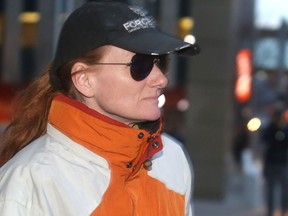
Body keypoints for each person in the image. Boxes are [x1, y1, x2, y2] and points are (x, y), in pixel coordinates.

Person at [0, 1, 200, 215]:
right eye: (140, 65)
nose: (161, 79)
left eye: (160, 62)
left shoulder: (171, 158)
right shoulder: (28, 183)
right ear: (84, 80)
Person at [261, 109, 288, 216]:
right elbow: (264, 141)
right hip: (271, 163)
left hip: (282, 163)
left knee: (284, 190)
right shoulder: (269, 129)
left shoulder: (285, 130)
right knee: (270, 190)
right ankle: (270, 211)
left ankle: (283, 209)